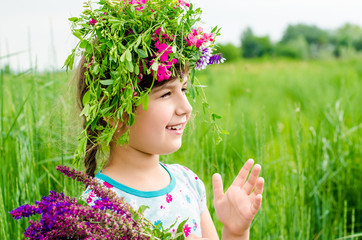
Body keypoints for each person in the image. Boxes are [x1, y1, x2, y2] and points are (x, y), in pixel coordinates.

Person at [68, 0, 264, 239]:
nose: (186, 107)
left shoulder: (187, 183)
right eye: (166, 94)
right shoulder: (96, 211)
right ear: (113, 112)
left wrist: (235, 231)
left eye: (183, 89)